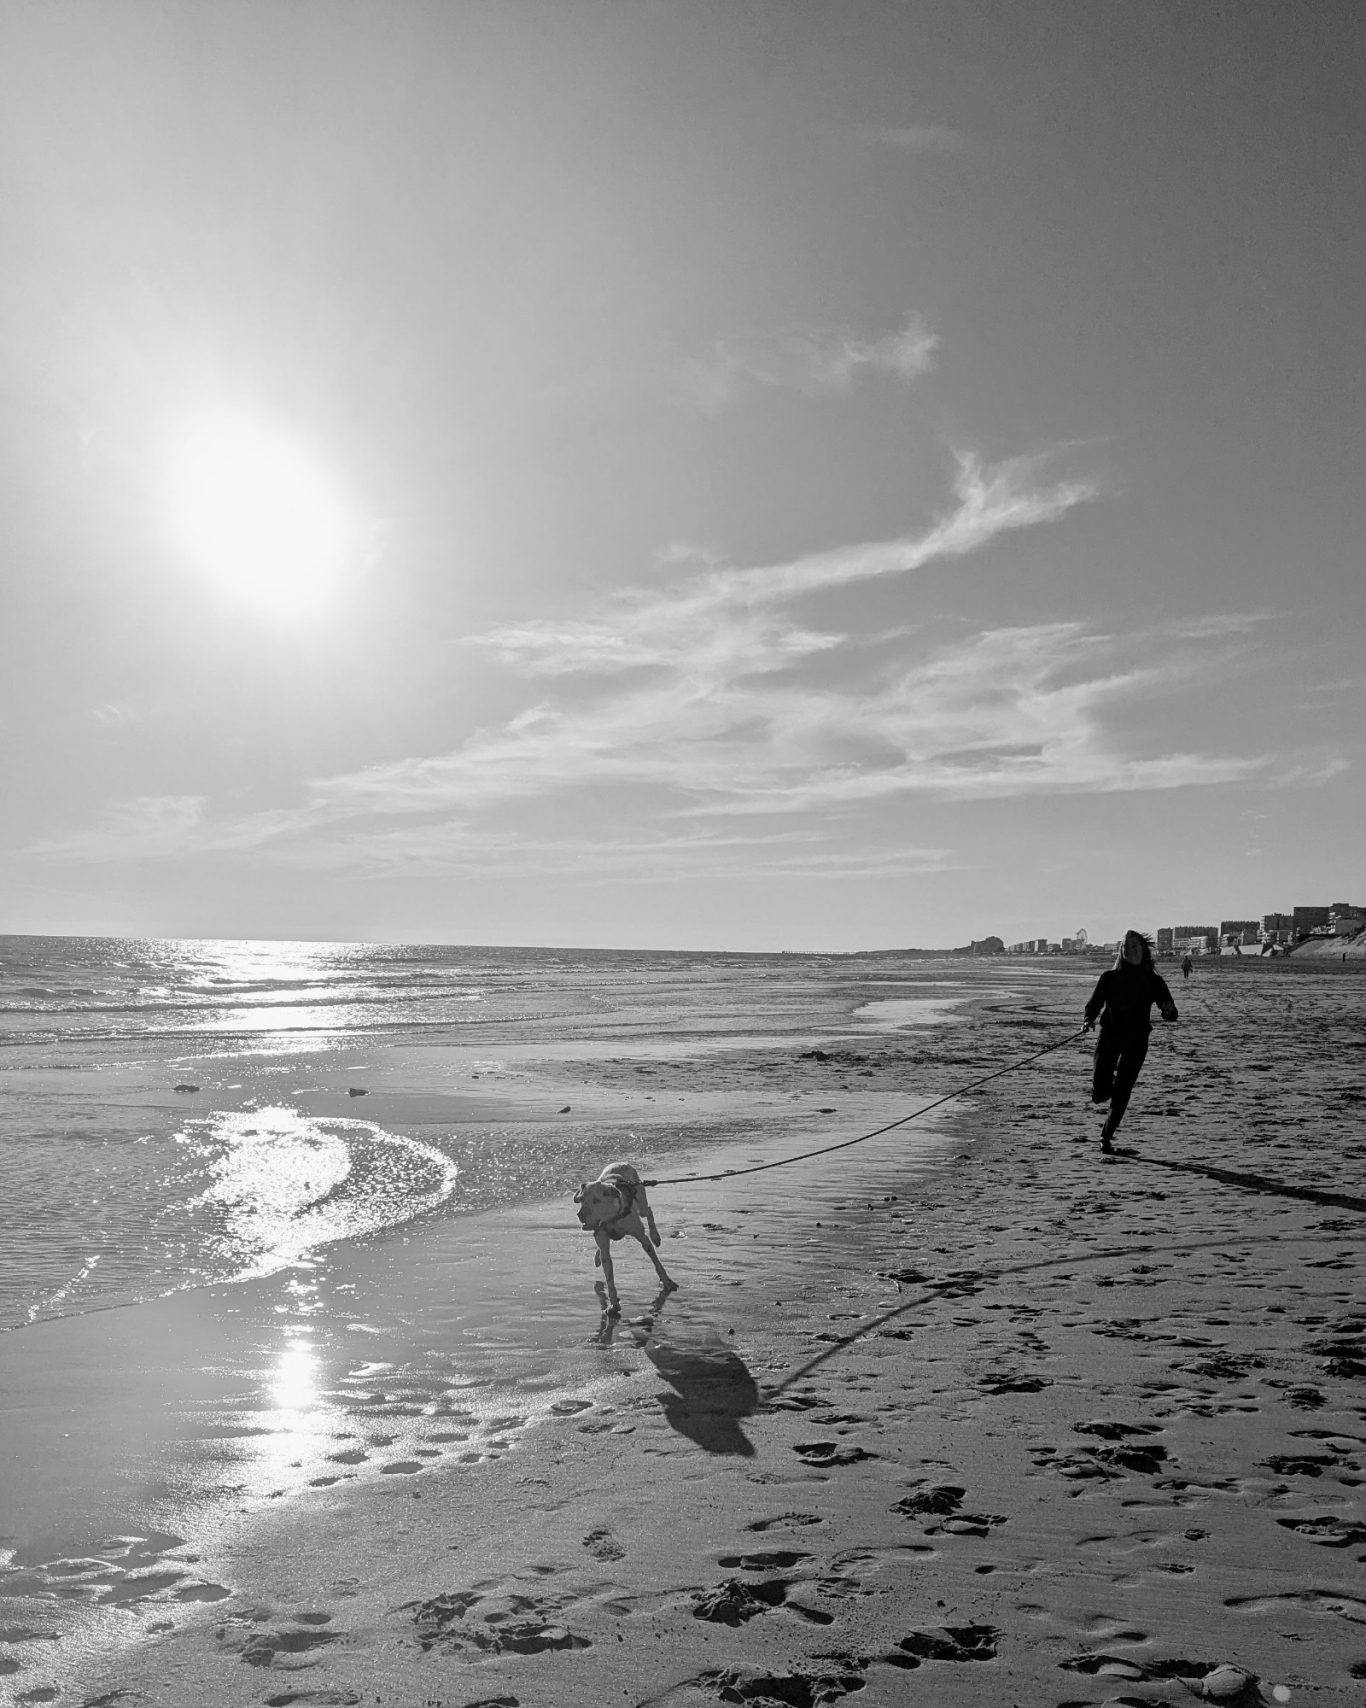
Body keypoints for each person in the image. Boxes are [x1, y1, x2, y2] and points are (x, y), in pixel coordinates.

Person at [1083, 930, 1178, 1153]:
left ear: (1143, 951)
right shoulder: (1110, 977)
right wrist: (1088, 1020)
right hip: (1110, 1035)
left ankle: (1106, 1137)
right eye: (1126, 947)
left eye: (1135, 946)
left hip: (1137, 1038)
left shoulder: (1153, 981)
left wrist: (1168, 1011)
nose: (1130, 950)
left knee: (1123, 1089)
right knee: (1100, 1089)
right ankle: (1102, 1092)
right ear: (1121, 952)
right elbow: (1094, 1003)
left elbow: (1170, 1011)